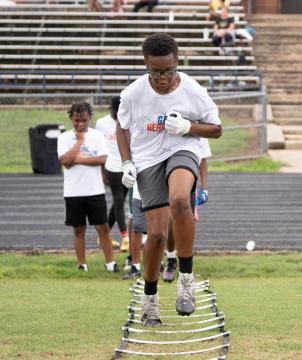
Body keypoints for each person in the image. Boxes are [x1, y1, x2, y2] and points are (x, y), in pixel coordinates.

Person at [116, 33, 222, 327]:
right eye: (155, 72)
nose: (162, 78)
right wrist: (126, 162)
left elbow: (216, 129)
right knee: (158, 236)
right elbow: (122, 128)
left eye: (168, 70)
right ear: (146, 65)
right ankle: (150, 300)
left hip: (182, 148)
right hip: (148, 159)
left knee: (179, 200)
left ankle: (186, 279)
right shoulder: (134, 93)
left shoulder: (192, 89)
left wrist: (190, 126)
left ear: (177, 61)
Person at [57, 102, 119, 273]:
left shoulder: (98, 136)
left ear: (90, 118)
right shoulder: (63, 138)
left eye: (83, 120)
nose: (80, 124)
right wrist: (79, 142)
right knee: (78, 228)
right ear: (71, 118)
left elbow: (102, 159)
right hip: (73, 191)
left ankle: (111, 264)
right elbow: (64, 161)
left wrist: (75, 159)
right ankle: (82, 265)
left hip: (94, 190)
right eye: (76, 120)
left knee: (103, 227)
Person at [162, 137, 211, 283]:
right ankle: (171, 260)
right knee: (169, 222)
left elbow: (202, 158)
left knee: (186, 222)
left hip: (186, 178)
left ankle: (186, 270)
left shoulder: (196, 121)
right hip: (161, 174)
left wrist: (205, 188)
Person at [96, 96, 130, 252]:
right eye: (116, 112)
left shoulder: (127, 119)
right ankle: (125, 237)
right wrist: (102, 171)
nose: (118, 115)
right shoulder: (102, 124)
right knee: (118, 200)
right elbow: (98, 147)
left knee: (120, 202)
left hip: (126, 165)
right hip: (111, 166)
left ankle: (104, 235)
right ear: (111, 109)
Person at [122, 182, 145, 280]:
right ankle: (135, 267)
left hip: (158, 187)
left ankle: (159, 265)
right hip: (138, 186)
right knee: (136, 227)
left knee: (158, 228)